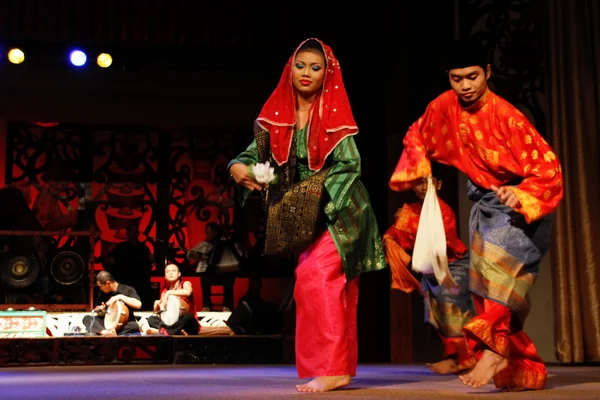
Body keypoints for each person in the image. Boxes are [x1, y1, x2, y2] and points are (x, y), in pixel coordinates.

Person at [389, 38, 563, 390]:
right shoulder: (445, 106)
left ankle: (494, 352)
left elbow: (549, 171)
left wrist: (518, 193)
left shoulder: (507, 117)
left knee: (500, 274)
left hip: (520, 206)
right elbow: (417, 134)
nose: (465, 86)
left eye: (472, 77)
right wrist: (421, 169)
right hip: (486, 205)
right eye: (456, 79)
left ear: (487, 72)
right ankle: (523, 369)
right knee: (483, 286)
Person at [228, 38, 386, 392]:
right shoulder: (279, 116)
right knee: (323, 285)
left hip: (341, 210)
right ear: (290, 68)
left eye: (316, 68)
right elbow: (255, 154)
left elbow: (350, 165)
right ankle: (337, 368)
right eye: (301, 66)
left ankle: (331, 367)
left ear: (326, 75)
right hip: (305, 212)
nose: (306, 73)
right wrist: (237, 166)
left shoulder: (332, 117)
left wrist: (317, 202)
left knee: (315, 277)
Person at [383, 170, 474, 374]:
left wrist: (406, 220)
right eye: (418, 182)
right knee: (436, 314)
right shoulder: (412, 210)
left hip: (452, 266)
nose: (423, 187)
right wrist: (393, 233)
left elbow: (441, 238)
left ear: (438, 184)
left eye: (428, 182)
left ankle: (468, 356)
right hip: (431, 271)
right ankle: (453, 357)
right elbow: (400, 233)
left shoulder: (443, 210)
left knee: (452, 309)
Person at [187, 222, 242, 312]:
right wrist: (196, 255)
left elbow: (240, 254)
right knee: (204, 278)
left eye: (208, 233)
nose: (207, 235)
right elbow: (189, 254)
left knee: (230, 276)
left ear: (215, 232)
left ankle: (227, 305)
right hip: (211, 274)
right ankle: (207, 305)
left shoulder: (229, 243)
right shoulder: (204, 244)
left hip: (225, 274)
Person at [139, 263, 200, 336]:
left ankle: (162, 332)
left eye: (173, 271)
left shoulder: (185, 284)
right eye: (168, 272)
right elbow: (162, 313)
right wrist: (156, 307)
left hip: (186, 324)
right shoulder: (164, 292)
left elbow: (188, 292)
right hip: (173, 324)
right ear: (165, 276)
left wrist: (169, 293)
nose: (170, 273)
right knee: (151, 319)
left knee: (188, 316)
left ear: (179, 274)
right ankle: (175, 331)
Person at [105, 223, 154, 310]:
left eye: (135, 231)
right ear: (127, 233)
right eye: (131, 230)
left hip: (141, 282)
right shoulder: (120, 247)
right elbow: (111, 262)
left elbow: (149, 263)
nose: (134, 233)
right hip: (125, 280)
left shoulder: (144, 248)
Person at [82, 271, 142, 335]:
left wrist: (119, 297)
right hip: (107, 324)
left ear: (108, 283)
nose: (100, 289)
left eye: (101, 286)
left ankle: (109, 333)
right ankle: (106, 333)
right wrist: (100, 308)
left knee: (134, 326)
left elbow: (138, 304)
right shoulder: (102, 294)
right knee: (87, 318)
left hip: (124, 324)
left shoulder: (127, 290)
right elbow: (97, 308)